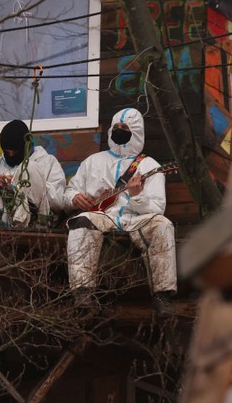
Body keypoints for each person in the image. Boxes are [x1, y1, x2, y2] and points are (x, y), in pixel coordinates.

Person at [64, 108, 176, 311]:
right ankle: (82, 293)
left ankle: (163, 295)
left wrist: (137, 196)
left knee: (163, 225)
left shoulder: (150, 165)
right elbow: (69, 191)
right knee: (81, 221)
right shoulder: (93, 161)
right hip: (102, 216)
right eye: (116, 127)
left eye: (125, 128)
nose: (119, 131)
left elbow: (158, 208)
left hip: (135, 219)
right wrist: (74, 198)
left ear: (136, 132)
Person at [0, 119, 66, 227]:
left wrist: (27, 185)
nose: (11, 155)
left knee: (29, 168)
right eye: (7, 152)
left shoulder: (47, 162)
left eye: (15, 151)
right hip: (1, 226)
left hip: (39, 225)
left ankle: (26, 219)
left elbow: (59, 201)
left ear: (27, 145)